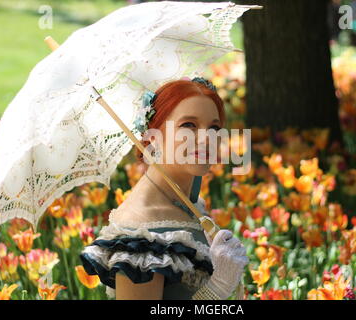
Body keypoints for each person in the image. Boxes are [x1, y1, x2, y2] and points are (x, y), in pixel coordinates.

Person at [80, 78, 249, 300]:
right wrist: (218, 288)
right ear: (153, 135)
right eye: (188, 125)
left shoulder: (190, 201)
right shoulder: (141, 234)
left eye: (214, 127)